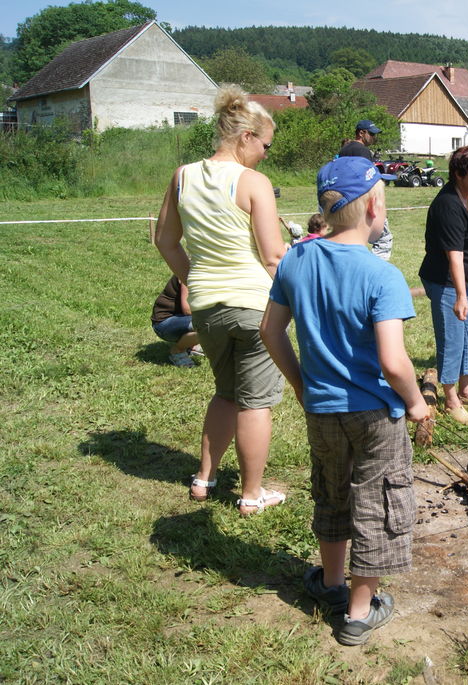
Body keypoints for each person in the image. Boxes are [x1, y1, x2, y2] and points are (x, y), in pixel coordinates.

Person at [260, 156, 428, 646]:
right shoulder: (382, 275)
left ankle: (332, 583)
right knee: (376, 502)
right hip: (376, 415)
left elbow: (270, 331)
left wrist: (300, 385)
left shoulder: (295, 260)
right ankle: (358, 612)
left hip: (322, 409)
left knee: (332, 492)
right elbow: (393, 362)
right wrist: (417, 403)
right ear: (374, 207)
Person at [155, 85, 288, 516]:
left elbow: (165, 241)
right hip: (253, 307)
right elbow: (273, 256)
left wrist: (193, 278)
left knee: (226, 393)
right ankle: (252, 494)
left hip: (207, 308)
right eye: (265, 145)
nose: (266, 154)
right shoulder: (253, 183)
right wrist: (300, 301)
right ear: (247, 136)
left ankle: (204, 478)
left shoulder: (183, 176)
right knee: (256, 402)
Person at [419, 145, 468, 426]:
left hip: (463, 281)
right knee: (452, 340)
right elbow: (453, 254)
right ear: (459, 174)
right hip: (445, 281)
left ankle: (466, 390)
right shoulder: (448, 205)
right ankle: (451, 400)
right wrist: (461, 296)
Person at [337, 119, 394, 261]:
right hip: (363, 200)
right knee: (383, 238)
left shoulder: (344, 150)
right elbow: (367, 178)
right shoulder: (363, 151)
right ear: (361, 133)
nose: (374, 138)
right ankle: (376, 268)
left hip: (346, 200)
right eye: (371, 134)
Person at [151, 275, 201, 367]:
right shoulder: (190, 273)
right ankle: (177, 351)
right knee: (209, 323)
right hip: (164, 324)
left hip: (183, 319)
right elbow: (187, 310)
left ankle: (191, 345)